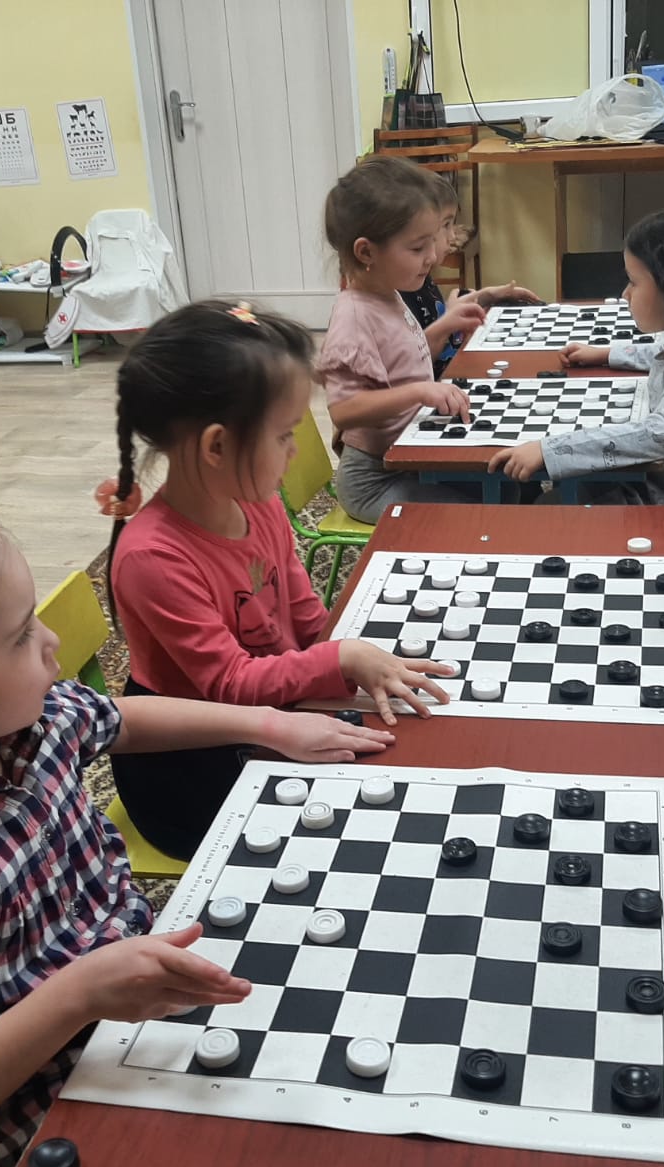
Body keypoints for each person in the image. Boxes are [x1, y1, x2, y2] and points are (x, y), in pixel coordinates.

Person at [0, 506, 394, 1167]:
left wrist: (266, 725)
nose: (51, 643)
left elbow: (121, 719)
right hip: (61, 1098)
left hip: (142, 991)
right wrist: (78, 995)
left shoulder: (19, 718)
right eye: (21, 634)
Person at [107, 300, 453, 857]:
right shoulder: (152, 557)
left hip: (271, 718)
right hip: (191, 766)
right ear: (217, 446)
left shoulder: (260, 504)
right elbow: (231, 685)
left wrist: (346, 655)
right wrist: (338, 660)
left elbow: (304, 613)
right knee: (354, 839)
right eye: (285, 435)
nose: (294, 452)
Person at [488, 208, 664, 590]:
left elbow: (662, 434)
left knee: (556, 513)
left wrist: (550, 449)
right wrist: (608, 353)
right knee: (575, 490)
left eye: (634, 282)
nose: (625, 294)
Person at [319, 156, 481, 522]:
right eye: (417, 248)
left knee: (505, 486)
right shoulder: (354, 315)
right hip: (374, 480)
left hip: (409, 457)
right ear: (366, 252)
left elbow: (404, 356)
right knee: (469, 519)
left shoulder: (387, 292)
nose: (433, 256)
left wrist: (445, 324)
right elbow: (343, 410)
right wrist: (419, 392)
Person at [399, 172, 541, 379]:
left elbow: (435, 316)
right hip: (439, 386)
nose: (453, 235)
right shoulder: (400, 292)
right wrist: (448, 322)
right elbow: (413, 363)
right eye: (445, 225)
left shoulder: (420, 278)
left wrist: (486, 296)